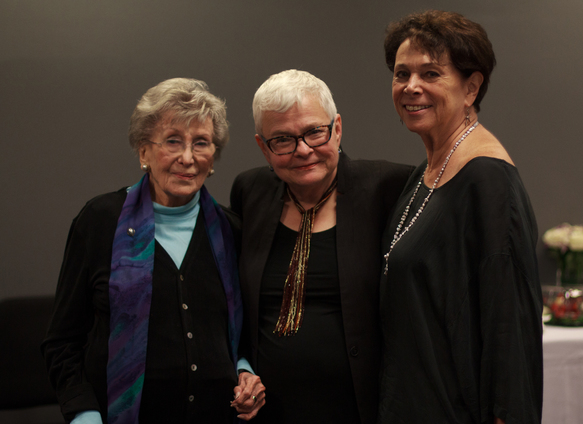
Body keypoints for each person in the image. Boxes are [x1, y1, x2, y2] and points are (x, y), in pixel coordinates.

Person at [42, 78, 265, 424]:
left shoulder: (230, 230)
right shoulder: (100, 222)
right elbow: (62, 343)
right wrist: (84, 414)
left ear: (214, 156)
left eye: (201, 143)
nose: (188, 157)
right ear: (143, 151)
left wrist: (244, 370)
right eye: (173, 141)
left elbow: (240, 337)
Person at [378, 10, 543, 424]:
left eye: (431, 73)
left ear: (471, 87)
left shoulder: (488, 179)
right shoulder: (427, 170)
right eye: (402, 74)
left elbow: (511, 330)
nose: (411, 87)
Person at [230, 69, 414, 424]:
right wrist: (241, 369)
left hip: (361, 410)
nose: (303, 150)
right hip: (268, 413)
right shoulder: (249, 192)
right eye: (282, 139)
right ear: (262, 147)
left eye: (315, 132)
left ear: (338, 127)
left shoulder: (388, 189)